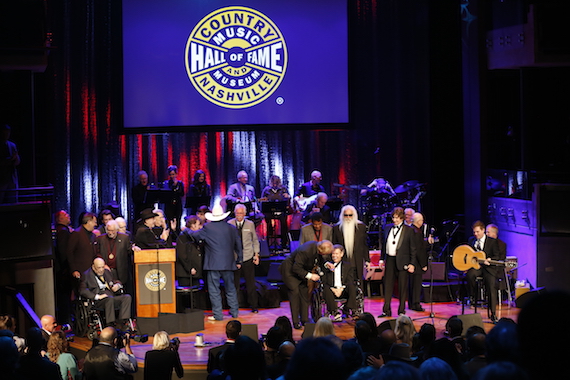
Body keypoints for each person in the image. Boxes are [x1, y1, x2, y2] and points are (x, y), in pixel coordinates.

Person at [186, 204, 242, 321]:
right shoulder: (231, 228)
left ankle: (218, 314)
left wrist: (186, 229)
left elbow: (194, 235)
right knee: (231, 288)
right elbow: (238, 245)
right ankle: (234, 312)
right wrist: (239, 260)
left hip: (213, 263)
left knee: (214, 290)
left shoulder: (207, 227)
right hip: (228, 263)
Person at [279, 240, 334, 329]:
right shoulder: (306, 251)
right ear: (321, 250)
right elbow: (296, 268)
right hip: (290, 272)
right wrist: (311, 275)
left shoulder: (317, 247)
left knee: (304, 294)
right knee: (295, 294)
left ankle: (304, 319)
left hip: (301, 271)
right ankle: (296, 322)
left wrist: (326, 263)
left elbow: (318, 257)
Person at [379, 207, 417, 317]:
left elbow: (413, 249)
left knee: (402, 286)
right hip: (390, 259)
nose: (395, 220)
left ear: (402, 218)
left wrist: (412, 263)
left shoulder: (409, 230)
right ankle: (386, 310)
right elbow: (384, 245)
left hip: (403, 261)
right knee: (388, 285)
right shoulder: (387, 228)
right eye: (394, 218)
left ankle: (401, 311)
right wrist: (382, 259)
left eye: (397, 218)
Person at [79, 257, 132, 328]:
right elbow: (82, 290)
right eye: (99, 268)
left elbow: (115, 281)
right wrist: (97, 296)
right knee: (109, 299)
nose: (101, 270)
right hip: (98, 300)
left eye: (102, 267)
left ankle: (122, 322)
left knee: (127, 297)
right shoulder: (86, 275)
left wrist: (117, 285)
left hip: (111, 296)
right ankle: (110, 324)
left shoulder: (106, 272)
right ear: (93, 267)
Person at [228, 203, 261, 313]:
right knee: (234, 284)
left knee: (250, 284)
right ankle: (234, 307)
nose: (239, 215)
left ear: (245, 214)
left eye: (241, 213)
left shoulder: (250, 224)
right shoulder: (230, 224)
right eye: (237, 213)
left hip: (247, 256)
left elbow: (255, 240)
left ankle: (254, 306)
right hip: (234, 258)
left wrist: (256, 254)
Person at [466, 220, 500, 323]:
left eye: (477, 232)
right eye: (474, 232)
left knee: (490, 286)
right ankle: (473, 297)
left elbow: (497, 256)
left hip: (488, 268)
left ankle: (493, 314)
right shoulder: (471, 240)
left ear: (483, 230)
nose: (475, 234)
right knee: (470, 275)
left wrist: (489, 260)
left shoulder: (492, 241)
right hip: (477, 267)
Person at [332, 205, 370, 292]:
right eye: (346, 215)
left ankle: (358, 303)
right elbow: (335, 245)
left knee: (358, 282)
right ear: (342, 215)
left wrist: (367, 260)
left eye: (350, 215)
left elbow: (364, 245)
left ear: (354, 215)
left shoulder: (361, 227)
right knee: (345, 283)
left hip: (357, 260)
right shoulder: (337, 228)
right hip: (344, 261)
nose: (348, 217)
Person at [95, 219, 136, 297]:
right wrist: (103, 265)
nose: (110, 233)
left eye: (113, 231)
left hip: (119, 271)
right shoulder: (100, 239)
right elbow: (97, 253)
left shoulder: (124, 238)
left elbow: (129, 250)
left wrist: (134, 248)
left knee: (121, 294)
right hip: (106, 270)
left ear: (117, 230)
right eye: (109, 230)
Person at [322, 244, 357, 321]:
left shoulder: (348, 266)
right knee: (325, 288)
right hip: (331, 290)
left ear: (342, 254)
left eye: (336, 253)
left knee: (352, 286)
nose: (334, 256)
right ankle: (335, 312)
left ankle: (349, 308)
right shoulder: (327, 266)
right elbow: (325, 281)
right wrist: (333, 289)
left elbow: (349, 280)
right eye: (333, 253)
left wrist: (341, 289)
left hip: (343, 289)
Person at [260, 175, 290, 249]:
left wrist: (288, 197)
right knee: (268, 222)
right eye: (273, 183)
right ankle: (269, 243)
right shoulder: (266, 190)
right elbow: (262, 201)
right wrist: (264, 200)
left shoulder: (283, 189)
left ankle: (284, 243)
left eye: (276, 183)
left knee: (284, 222)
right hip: (269, 212)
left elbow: (288, 201)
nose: (275, 185)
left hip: (281, 211)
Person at [409, 212, 431, 312]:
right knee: (417, 285)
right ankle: (416, 304)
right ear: (419, 221)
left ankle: (411, 303)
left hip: (411, 261)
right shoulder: (417, 232)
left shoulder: (410, 230)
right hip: (417, 263)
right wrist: (423, 264)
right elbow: (419, 250)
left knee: (411, 284)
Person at [67, 212, 98, 281]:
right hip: (80, 272)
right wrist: (73, 270)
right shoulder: (76, 234)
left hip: (92, 272)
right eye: (94, 222)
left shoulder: (93, 236)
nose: (96, 224)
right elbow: (69, 253)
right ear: (89, 221)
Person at [175, 215, 203, 286]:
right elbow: (182, 255)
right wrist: (189, 268)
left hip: (196, 272)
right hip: (185, 273)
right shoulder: (183, 236)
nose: (200, 227)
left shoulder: (197, 237)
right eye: (198, 224)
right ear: (193, 225)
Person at [0, 124, 20, 204]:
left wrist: (16, 158)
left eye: (8, 133)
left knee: (13, 200)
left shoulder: (12, 145)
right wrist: (8, 160)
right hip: (1, 178)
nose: (6, 135)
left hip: (12, 177)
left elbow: (17, 162)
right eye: (4, 133)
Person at [163, 165, 184, 232]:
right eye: (170, 174)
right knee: (169, 221)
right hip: (169, 205)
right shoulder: (166, 183)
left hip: (178, 204)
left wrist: (176, 186)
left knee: (178, 221)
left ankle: (177, 236)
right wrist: (173, 186)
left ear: (176, 174)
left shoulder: (180, 183)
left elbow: (182, 194)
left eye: (173, 174)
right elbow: (166, 193)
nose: (172, 176)